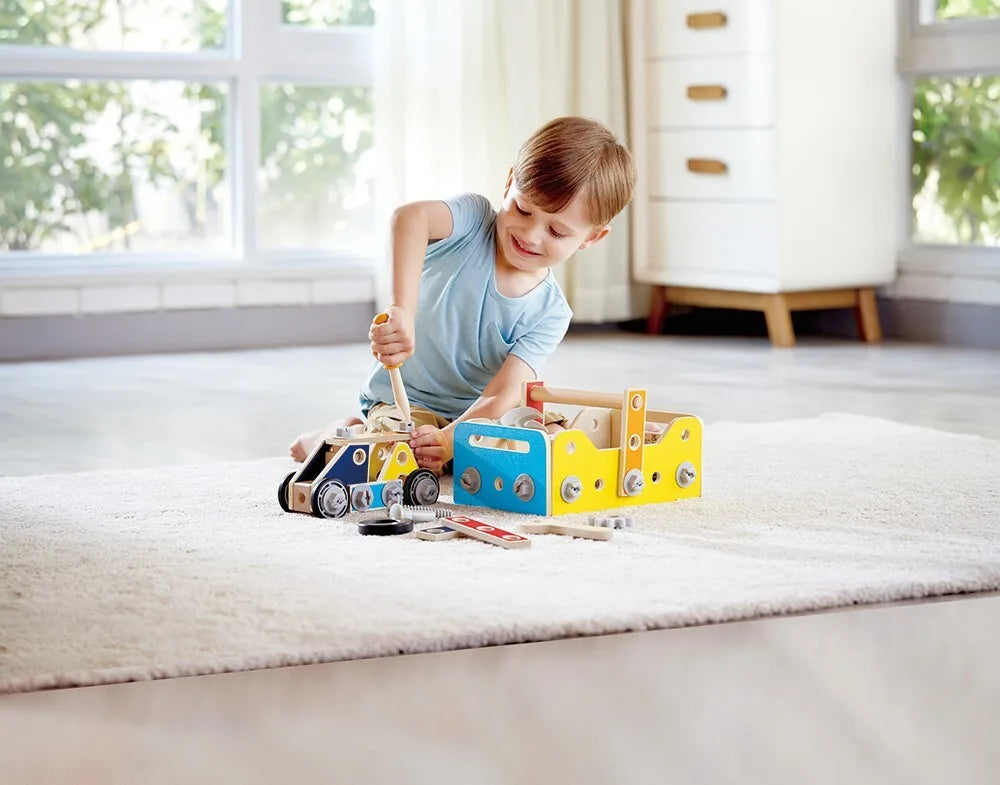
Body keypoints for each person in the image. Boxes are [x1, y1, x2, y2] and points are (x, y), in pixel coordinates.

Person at [289, 115, 637, 474]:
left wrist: (449, 440)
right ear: (508, 183)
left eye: (557, 231)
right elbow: (409, 218)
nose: (531, 234)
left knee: (544, 442)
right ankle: (336, 435)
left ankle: (438, 449)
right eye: (523, 209)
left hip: (475, 416)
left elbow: (501, 395)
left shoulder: (550, 313)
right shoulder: (471, 220)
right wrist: (402, 309)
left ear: (591, 238)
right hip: (404, 404)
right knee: (391, 460)